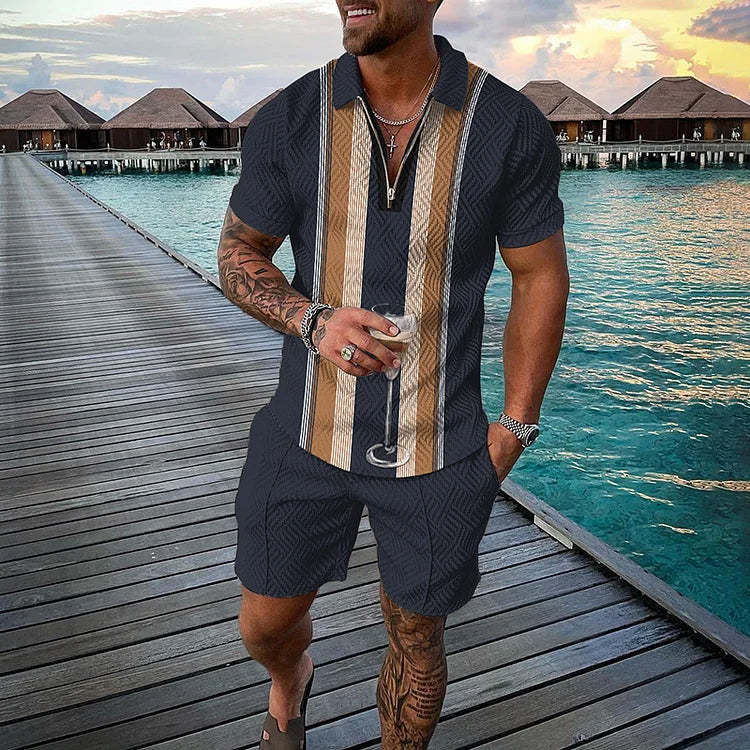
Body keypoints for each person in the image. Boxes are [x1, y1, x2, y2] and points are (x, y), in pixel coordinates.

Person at [217, 1, 568, 747]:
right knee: (264, 624)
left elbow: (538, 274)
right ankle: (290, 677)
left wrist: (515, 425)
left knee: (417, 636)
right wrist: (312, 319)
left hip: (440, 446)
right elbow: (238, 253)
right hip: (304, 432)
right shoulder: (291, 118)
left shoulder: (509, 125)